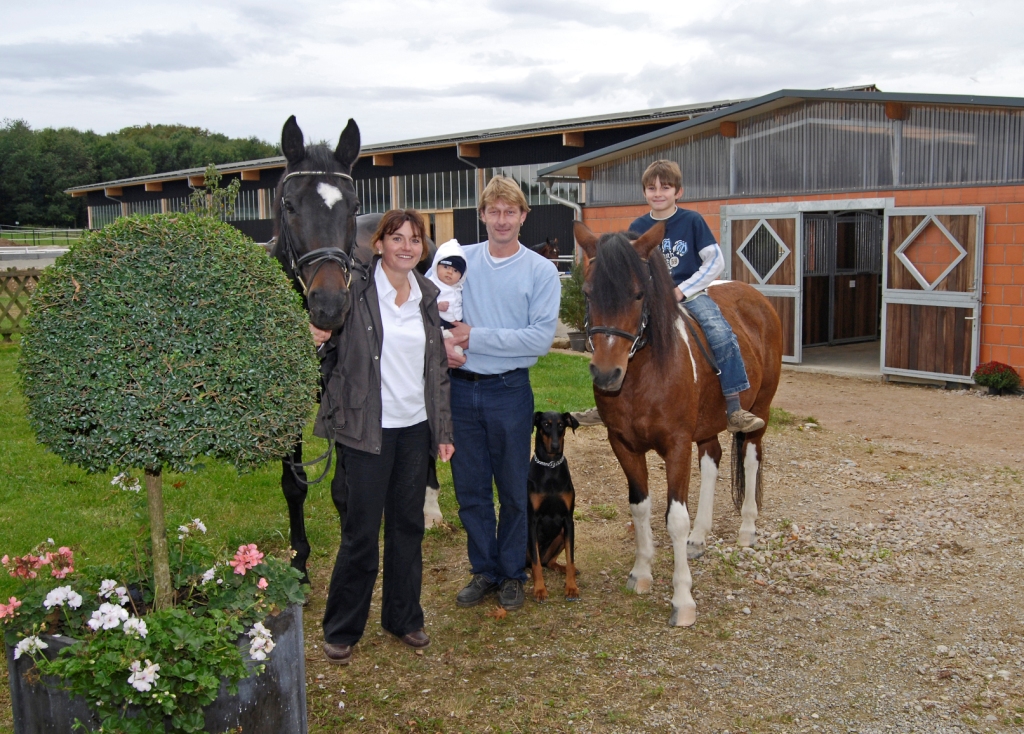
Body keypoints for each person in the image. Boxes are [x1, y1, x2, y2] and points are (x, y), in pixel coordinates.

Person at [311, 209, 455, 665]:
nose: (407, 246)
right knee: (360, 533)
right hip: (365, 432)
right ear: (378, 245)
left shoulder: (426, 295)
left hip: (414, 431)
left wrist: (443, 430)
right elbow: (328, 342)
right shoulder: (355, 291)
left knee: (408, 528)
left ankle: (403, 616)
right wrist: (317, 335)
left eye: (416, 239)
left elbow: (437, 370)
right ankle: (342, 627)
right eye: (397, 238)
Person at [444, 176, 560, 611]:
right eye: (494, 211)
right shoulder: (459, 262)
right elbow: (432, 309)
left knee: (513, 489)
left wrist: (475, 337)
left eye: (510, 211)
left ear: (524, 216)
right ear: (482, 215)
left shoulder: (541, 271)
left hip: (509, 390)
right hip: (461, 390)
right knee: (470, 489)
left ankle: (513, 572)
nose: (502, 219)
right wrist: (446, 344)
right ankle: (484, 569)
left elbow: (537, 340)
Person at [629, 159, 765, 433]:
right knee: (618, 334)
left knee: (721, 333)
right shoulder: (637, 225)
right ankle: (612, 399)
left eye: (665, 187)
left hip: (689, 295)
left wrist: (681, 290)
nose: (658, 193)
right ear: (644, 192)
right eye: (651, 188)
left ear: (678, 192)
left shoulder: (692, 221)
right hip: (649, 298)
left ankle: (734, 405)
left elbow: (715, 262)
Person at [426, 238, 468, 356]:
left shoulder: (458, 288)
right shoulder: (430, 284)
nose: (449, 272)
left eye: (455, 270)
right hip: (439, 321)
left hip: (455, 322)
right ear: (436, 266)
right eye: (445, 267)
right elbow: (422, 303)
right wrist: (436, 306)